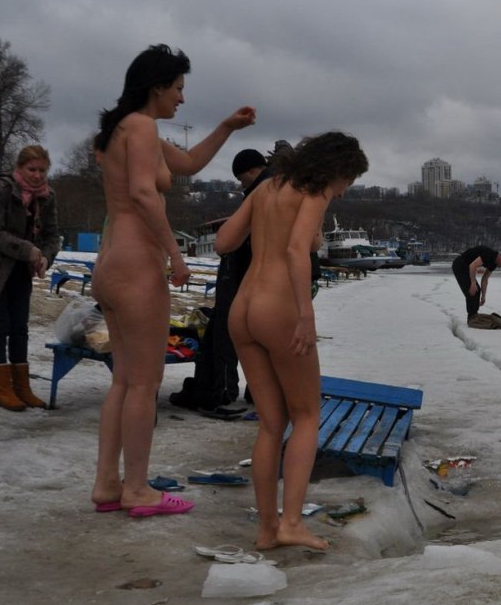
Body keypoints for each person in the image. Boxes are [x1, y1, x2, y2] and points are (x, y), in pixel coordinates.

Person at [90, 44, 255, 517]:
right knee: (144, 383)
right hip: (136, 265)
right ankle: (138, 489)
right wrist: (175, 254)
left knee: (124, 382)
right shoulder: (141, 127)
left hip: (111, 265)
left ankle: (107, 483)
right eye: (179, 88)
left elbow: (187, 166)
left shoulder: (123, 129)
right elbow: (144, 193)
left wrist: (226, 127)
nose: (181, 99)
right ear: (157, 86)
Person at [215, 131, 368, 550]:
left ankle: (267, 530)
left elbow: (223, 241)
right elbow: (297, 250)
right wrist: (305, 314)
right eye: (346, 183)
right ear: (336, 170)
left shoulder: (267, 187)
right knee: (306, 416)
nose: (341, 193)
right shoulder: (314, 190)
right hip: (278, 309)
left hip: (242, 310)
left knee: (270, 423)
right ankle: (292, 523)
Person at [169, 148, 268, 417]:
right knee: (250, 339)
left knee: (226, 334)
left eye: (241, 178)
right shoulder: (275, 189)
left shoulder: (262, 191)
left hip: (240, 277)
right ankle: (255, 392)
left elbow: (228, 242)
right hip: (256, 280)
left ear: (251, 171)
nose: (240, 184)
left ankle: (223, 393)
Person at [0, 145, 61, 411]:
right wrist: (28, 249)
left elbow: (53, 235)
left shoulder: (48, 196)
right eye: (32, 169)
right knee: (1, 325)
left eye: (42, 170)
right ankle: (2, 389)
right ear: (20, 168)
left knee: (20, 327)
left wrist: (45, 257)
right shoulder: (3, 189)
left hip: (21, 269)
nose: (38, 175)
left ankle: (22, 387)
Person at [451, 246, 501, 320]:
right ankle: (472, 318)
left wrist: (483, 296)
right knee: (473, 291)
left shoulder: (494, 264)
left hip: (467, 267)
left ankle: (474, 315)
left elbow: (485, 279)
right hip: (460, 264)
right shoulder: (489, 254)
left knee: (477, 291)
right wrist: (473, 283)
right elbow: (472, 265)